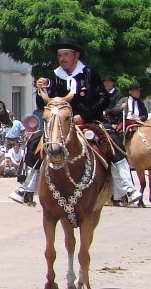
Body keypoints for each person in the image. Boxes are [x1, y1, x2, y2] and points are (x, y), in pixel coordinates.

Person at [11, 37, 139, 206]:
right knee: (35, 141)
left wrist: (84, 116)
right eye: (59, 55)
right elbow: (43, 104)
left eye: (66, 55)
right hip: (59, 123)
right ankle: (27, 188)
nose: (62, 58)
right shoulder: (53, 77)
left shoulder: (89, 73)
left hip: (89, 121)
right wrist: (40, 88)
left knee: (112, 140)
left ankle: (126, 187)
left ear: (76, 55)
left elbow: (103, 99)